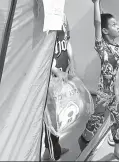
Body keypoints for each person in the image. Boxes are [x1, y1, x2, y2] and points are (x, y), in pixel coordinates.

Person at [80, 0, 119, 161]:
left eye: (117, 24)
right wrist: (96, 3)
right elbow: (96, 23)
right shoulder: (102, 47)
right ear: (105, 30)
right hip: (104, 94)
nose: (118, 26)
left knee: (117, 122)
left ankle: (117, 150)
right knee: (95, 121)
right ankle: (83, 143)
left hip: (118, 94)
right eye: (114, 24)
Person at [43, 20, 75, 161]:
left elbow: (67, 41)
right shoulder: (48, 18)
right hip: (50, 79)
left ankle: (50, 151)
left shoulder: (63, 17)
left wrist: (71, 63)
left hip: (62, 75)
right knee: (52, 119)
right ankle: (53, 154)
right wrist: (56, 71)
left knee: (57, 115)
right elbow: (43, 52)